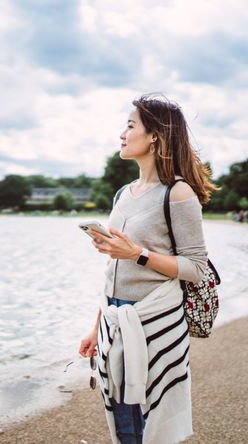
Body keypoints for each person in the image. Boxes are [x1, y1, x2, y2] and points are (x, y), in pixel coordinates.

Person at [79, 93, 217, 444]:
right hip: (115, 320)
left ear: (155, 135)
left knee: (149, 424)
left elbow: (196, 267)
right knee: (124, 424)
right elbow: (114, 270)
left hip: (154, 322)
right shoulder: (123, 193)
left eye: (129, 125)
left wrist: (136, 253)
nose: (121, 134)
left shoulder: (178, 194)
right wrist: (96, 328)